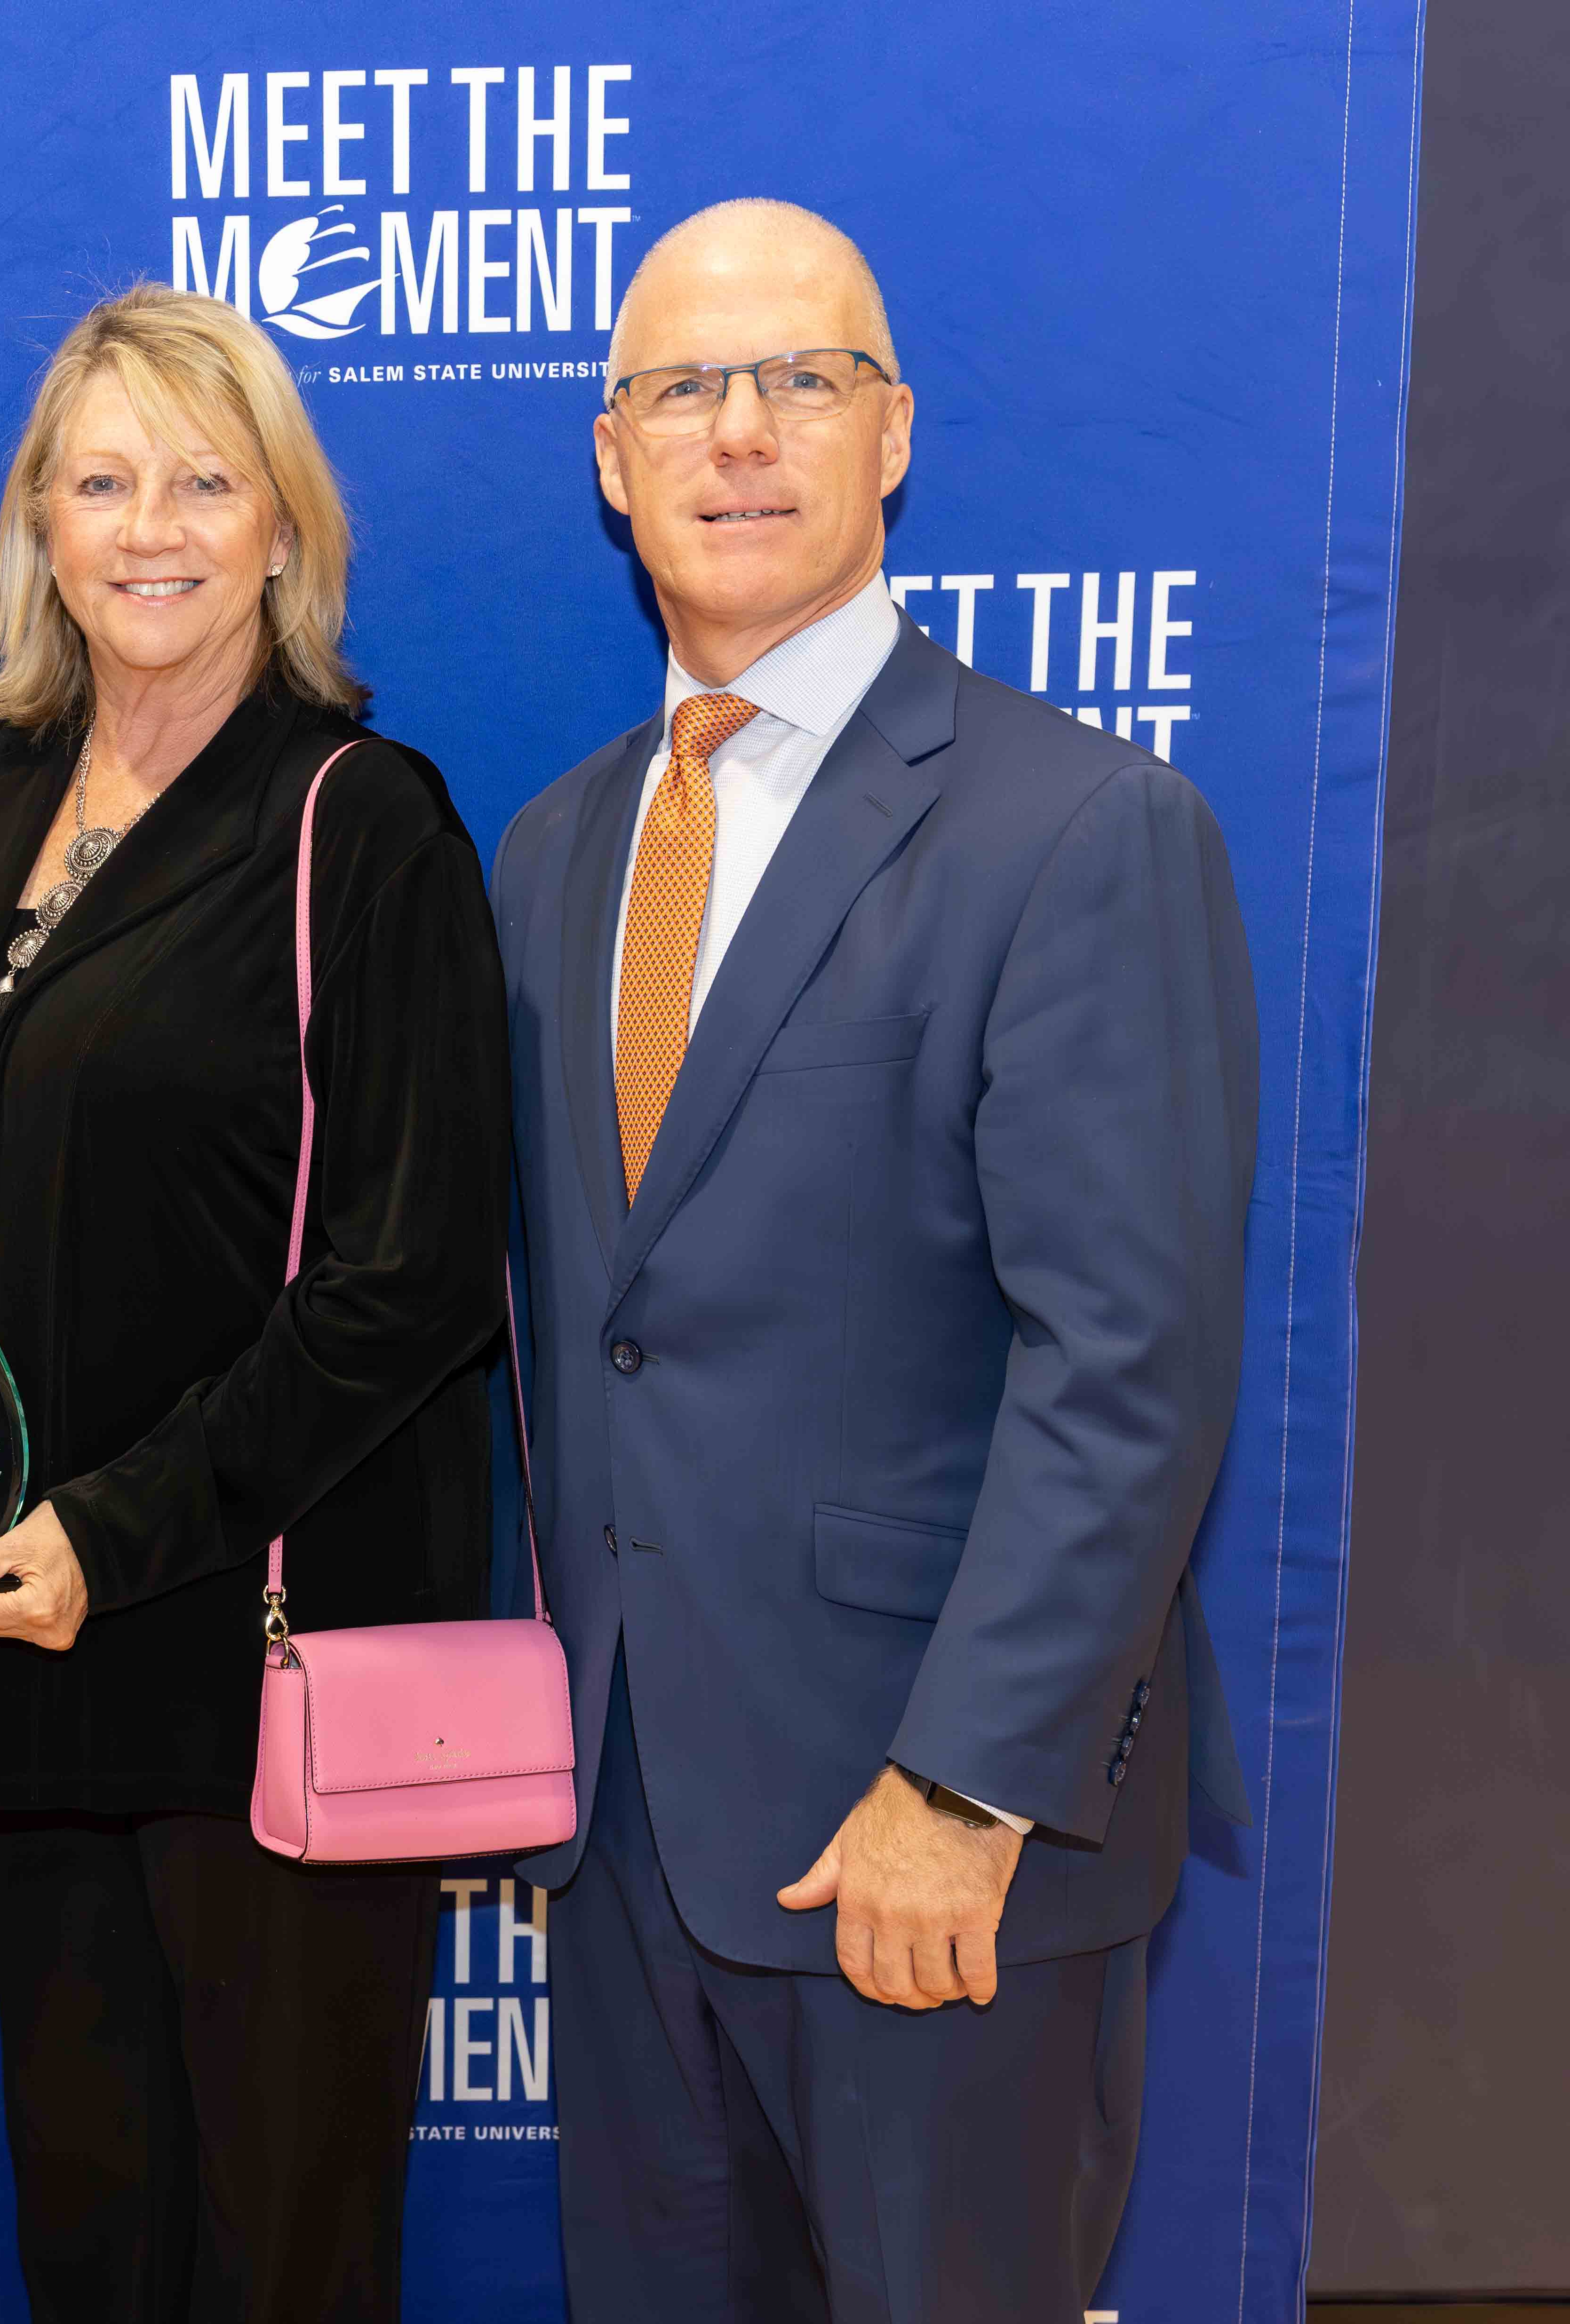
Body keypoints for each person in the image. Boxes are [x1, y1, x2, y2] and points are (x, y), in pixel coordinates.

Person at [491, 198, 1257, 2321]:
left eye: (799, 380)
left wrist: (968, 1782)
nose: (736, 434)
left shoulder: (1081, 831)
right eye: (678, 392)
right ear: (608, 456)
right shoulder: (554, 856)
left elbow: (1129, 1363)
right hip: (627, 1842)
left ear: (892, 431)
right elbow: (588, 1339)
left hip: (923, 1858)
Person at [0, 285, 511, 2321]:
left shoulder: (365, 824)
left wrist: (111, 1529)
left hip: (252, 1664)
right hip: (20, 1667)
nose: (151, 527)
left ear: (282, 526)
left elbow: (408, 1281)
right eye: (103, 483)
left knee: (278, 2266)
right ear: (42, 529)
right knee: (93, 2255)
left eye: (202, 480)